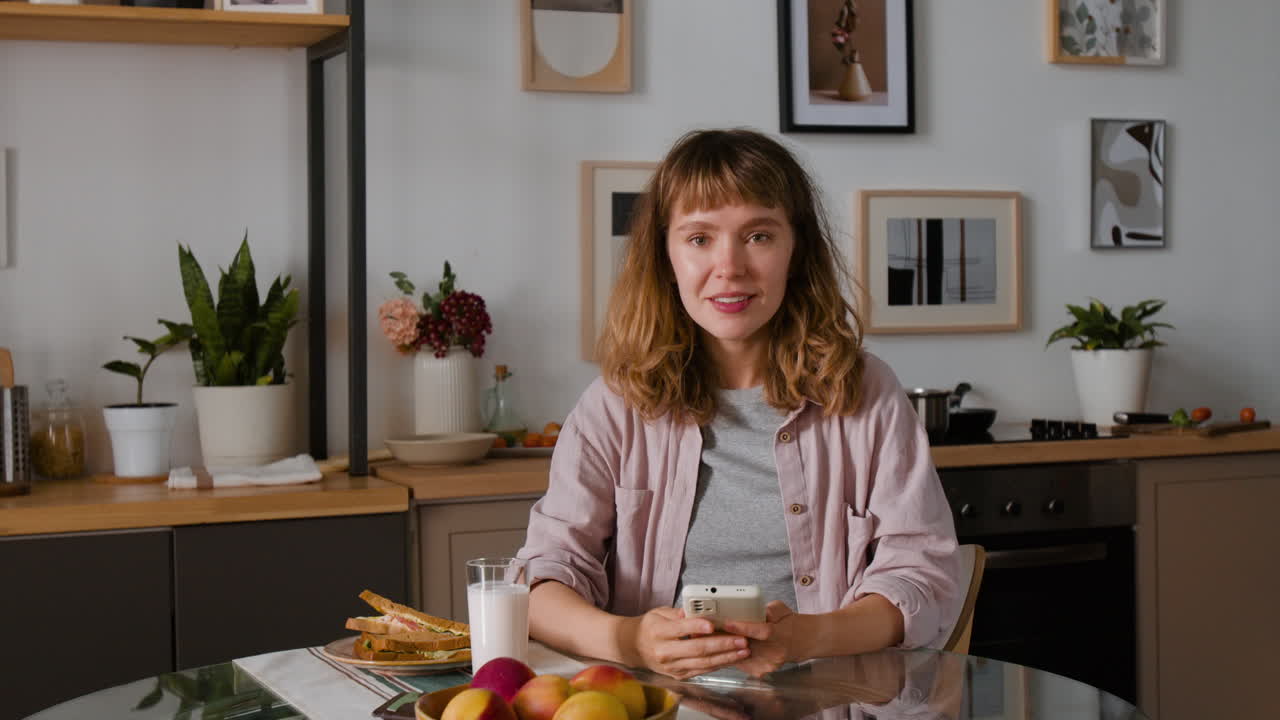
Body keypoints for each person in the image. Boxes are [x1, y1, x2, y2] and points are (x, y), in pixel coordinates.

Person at [517, 128, 960, 680]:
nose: (729, 267)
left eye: (758, 236)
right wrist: (628, 639)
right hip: (659, 706)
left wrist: (806, 637)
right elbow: (540, 579)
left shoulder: (866, 392)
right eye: (699, 238)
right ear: (665, 255)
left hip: (828, 703)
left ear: (796, 250)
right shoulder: (614, 405)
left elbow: (924, 577)